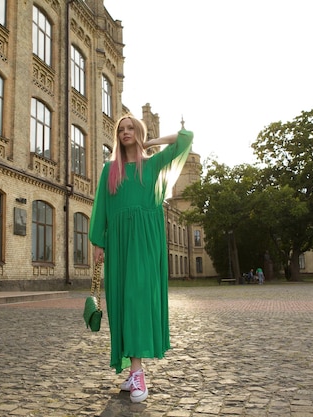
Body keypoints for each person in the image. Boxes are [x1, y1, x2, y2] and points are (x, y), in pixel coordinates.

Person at [89, 114, 193, 403]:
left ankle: (138, 372)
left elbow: (186, 138)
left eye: (130, 128)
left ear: (139, 132)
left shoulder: (154, 164)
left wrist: (151, 142)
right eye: (121, 129)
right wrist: (98, 241)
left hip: (146, 241)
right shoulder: (109, 169)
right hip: (119, 241)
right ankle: (132, 369)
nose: (125, 132)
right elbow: (101, 206)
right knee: (122, 302)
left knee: (136, 299)